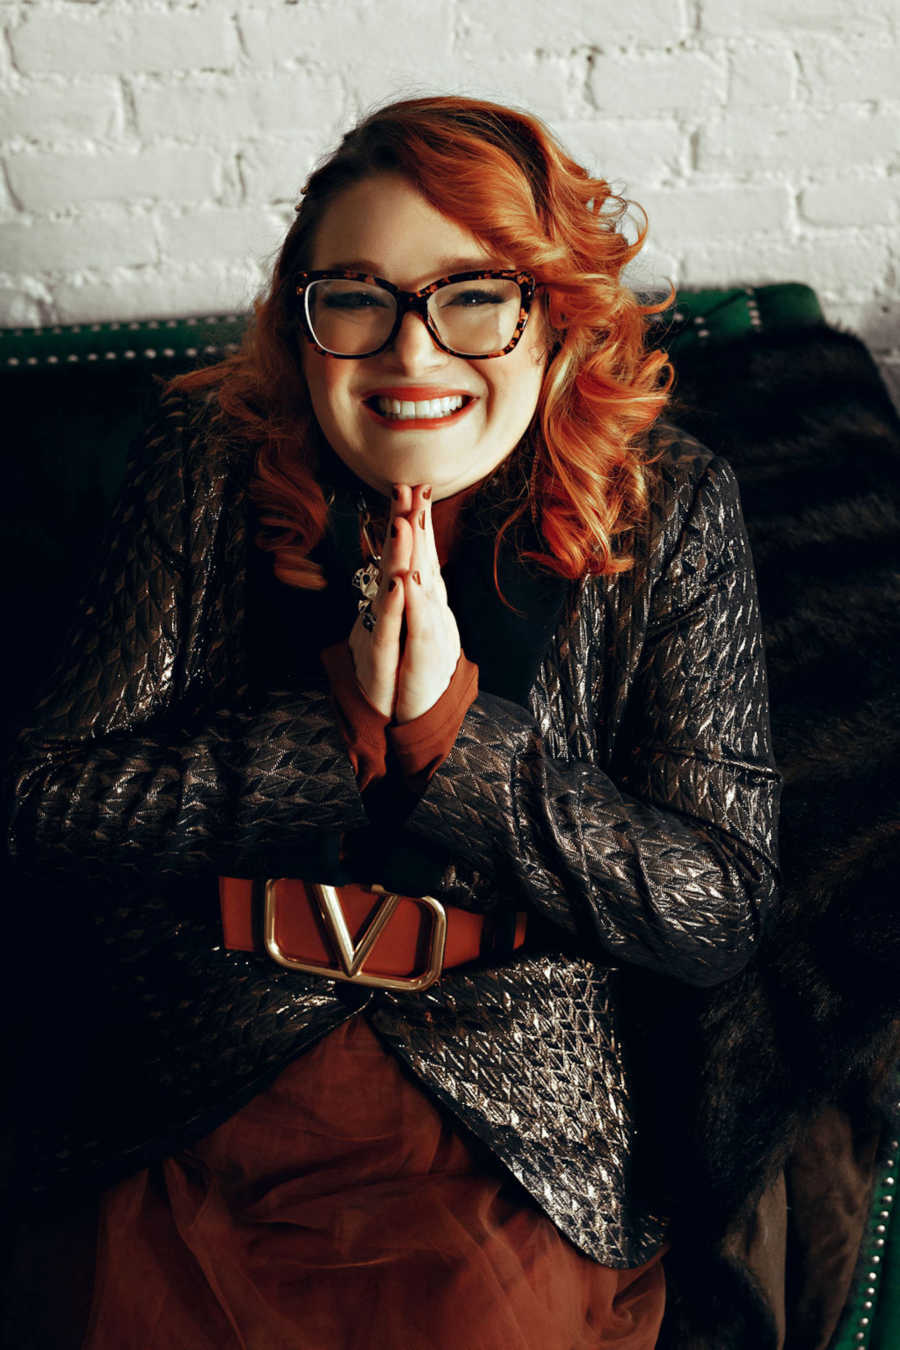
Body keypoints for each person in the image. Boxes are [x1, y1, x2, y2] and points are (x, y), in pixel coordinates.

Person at [6, 95, 781, 1348]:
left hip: (506, 1116)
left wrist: (443, 732)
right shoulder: (208, 459)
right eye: (356, 298)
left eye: (473, 297)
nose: (412, 356)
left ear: (555, 313)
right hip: (201, 1079)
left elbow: (718, 904)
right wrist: (334, 739)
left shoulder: (669, 505)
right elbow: (43, 807)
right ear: (301, 320)